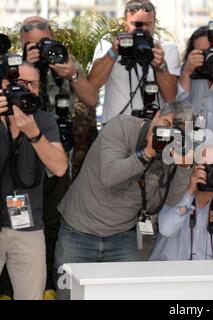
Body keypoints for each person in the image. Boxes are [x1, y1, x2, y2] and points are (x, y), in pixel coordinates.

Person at [54, 100, 194, 300]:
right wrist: (147, 154)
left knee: (122, 295)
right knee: (70, 296)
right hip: (79, 229)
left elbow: (171, 200)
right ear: (155, 115)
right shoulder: (121, 126)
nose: (165, 133)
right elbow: (109, 176)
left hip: (123, 235)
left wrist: (184, 168)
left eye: (175, 132)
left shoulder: (172, 150)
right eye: (165, 123)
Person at [20, 16, 98, 299]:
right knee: (16, 222)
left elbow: (92, 99)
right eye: (32, 45)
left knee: (53, 222)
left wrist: (71, 74)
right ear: (21, 44)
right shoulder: (13, 65)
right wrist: (25, 66)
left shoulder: (65, 60)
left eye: (45, 42)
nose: (41, 48)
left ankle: (49, 287)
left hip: (58, 159)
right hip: (19, 158)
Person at [0, 62, 68, 300]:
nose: (27, 90)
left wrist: (34, 134)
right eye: (20, 84)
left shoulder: (43, 120)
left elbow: (60, 167)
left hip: (27, 226)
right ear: (4, 85)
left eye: (33, 84)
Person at [149, 145, 213, 261]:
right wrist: (189, 192)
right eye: (207, 167)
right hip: (170, 274)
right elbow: (166, 229)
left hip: (205, 276)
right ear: (194, 169)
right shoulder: (176, 193)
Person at [89, 0, 179, 124]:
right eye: (136, 24)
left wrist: (161, 66)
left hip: (153, 128)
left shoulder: (166, 49)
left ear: (155, 23)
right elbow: (92, 85)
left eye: (148, 24)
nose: (142, 29)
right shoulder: (107, 46)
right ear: (126, 24)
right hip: (115, 129)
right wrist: (113, 53)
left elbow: (171, 98)